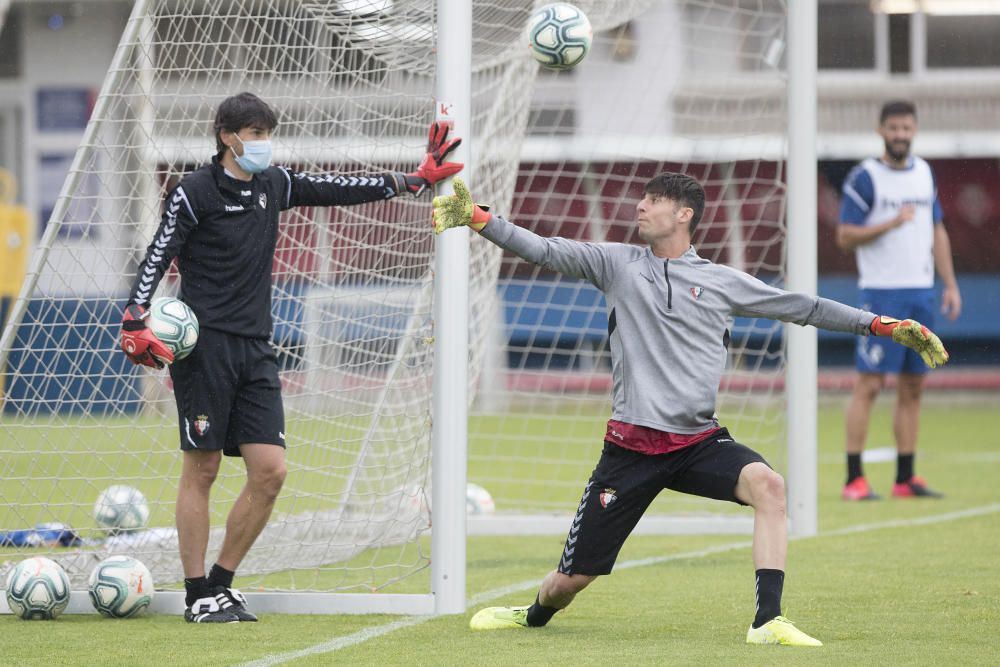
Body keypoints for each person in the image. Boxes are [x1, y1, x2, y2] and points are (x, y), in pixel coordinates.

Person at [432, 174, 948, 646]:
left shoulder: (722, 281)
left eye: (653, 200)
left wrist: (880, 325)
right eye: (643, 199)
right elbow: (543, 249)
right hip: (630, 451)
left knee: (769, 485)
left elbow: (804, 307)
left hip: (699, 442)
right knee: (569, 583)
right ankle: (533, 614)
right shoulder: (616, 264)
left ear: (685, 214)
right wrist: (480, 219)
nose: (640, 206)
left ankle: (768, 622)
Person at [119, 92, 462, 623]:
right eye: (256, 135)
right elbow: (158, 251)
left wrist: (410, 181)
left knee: (271, 471)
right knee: (203, 468)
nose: (265, 145)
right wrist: (136, 315)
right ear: (228, 136)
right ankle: (195, 594)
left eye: (267, 134)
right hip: (204, 348)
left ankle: (221, 582)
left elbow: (334, 189)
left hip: (257, 349)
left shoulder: (272, 184)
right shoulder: (194, 191)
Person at [837, 100, 961, 501]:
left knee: (913, 386)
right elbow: (845, 236)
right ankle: (854, 478)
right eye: (893, 128)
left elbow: (936, 229)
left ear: (914, 130)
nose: (901, 135)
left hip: (921, 293)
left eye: (907, 128)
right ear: (880, 131)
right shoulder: (865, 177)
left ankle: (905, 478)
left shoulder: (925, 172)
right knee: (869, 384)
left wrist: (950, 284)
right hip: (881, 295)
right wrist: (890, 222)